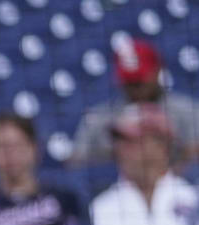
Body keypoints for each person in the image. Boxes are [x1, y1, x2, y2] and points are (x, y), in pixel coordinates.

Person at [90, 105, 198, 225]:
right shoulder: (99, 208)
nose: (121, 149)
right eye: (119, 141)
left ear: (162, 146)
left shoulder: (193, 197)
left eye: (132, 141)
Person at [71, 38, 199, 167]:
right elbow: (75, 165)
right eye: (130, 82)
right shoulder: (97, 118)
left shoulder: (189, 110)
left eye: (140, 81)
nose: (135, 88)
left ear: (157, 71)